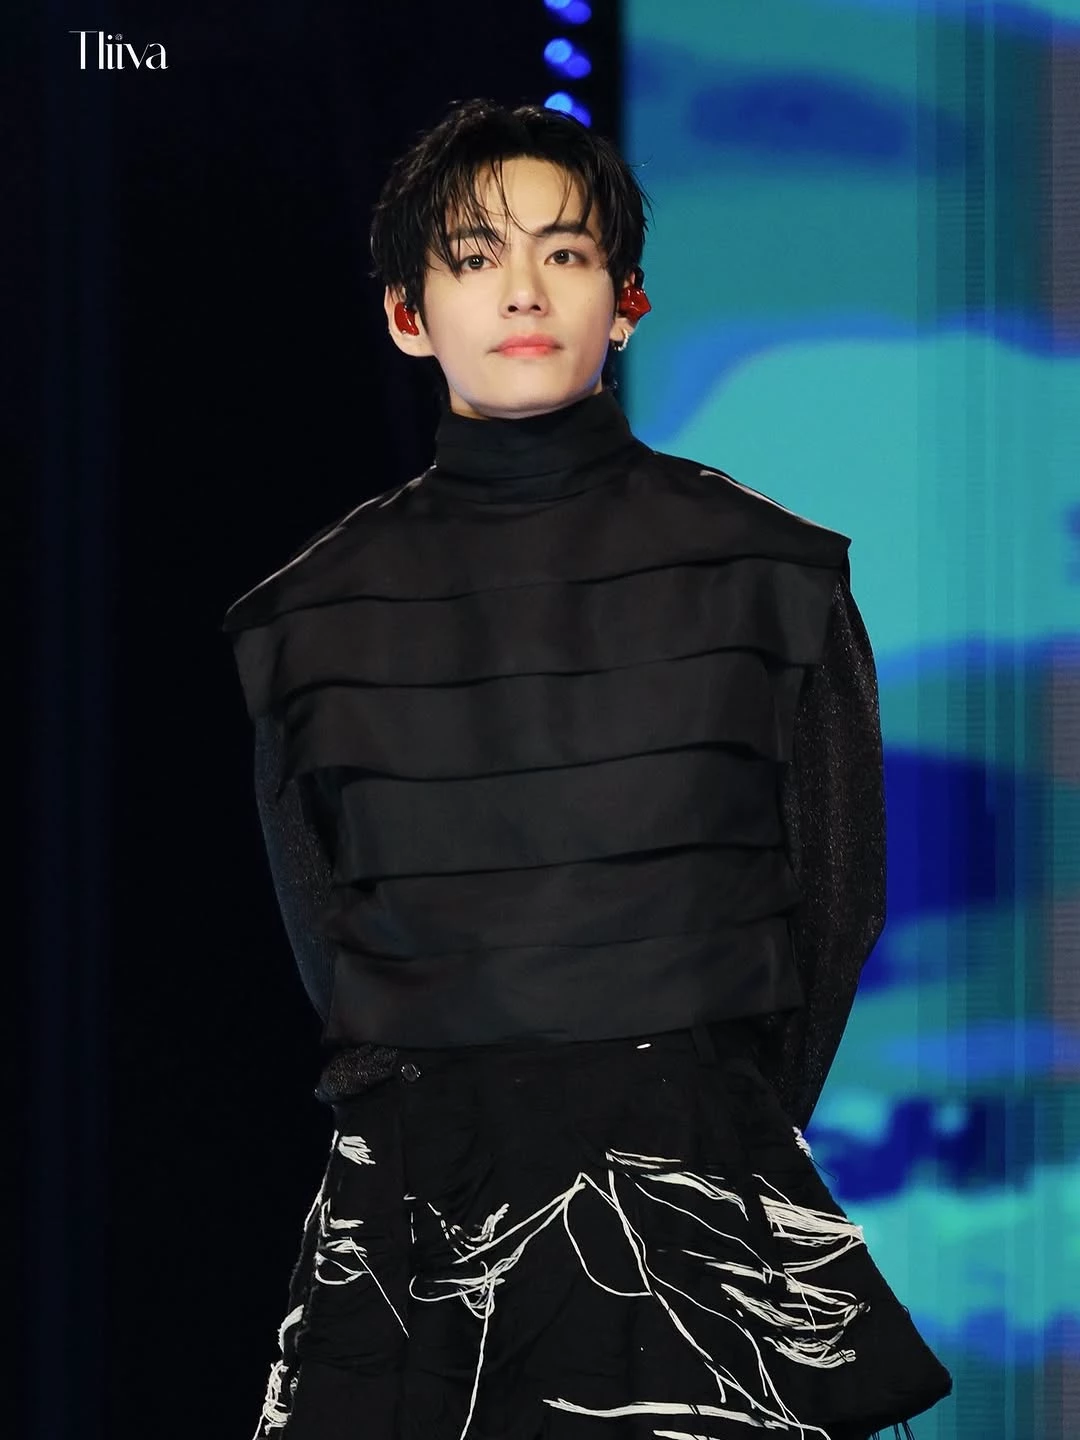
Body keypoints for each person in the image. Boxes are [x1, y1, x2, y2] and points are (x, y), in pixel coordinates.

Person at [222, 99, 953, 1440]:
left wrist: (705, 1123)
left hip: (691, 1187)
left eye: (564, 252)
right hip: (422, 1224)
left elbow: (840, 900)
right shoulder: (305, 618)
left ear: (628, 301)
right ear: (406, 314)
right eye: (474, 255)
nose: (522, 289)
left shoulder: (773, 575)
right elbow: (329, 947)